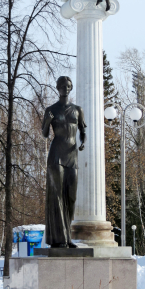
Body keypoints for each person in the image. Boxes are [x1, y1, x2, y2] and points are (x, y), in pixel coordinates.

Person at [42, 76, 86, 248]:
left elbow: (83, 131)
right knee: (58, 196)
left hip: (72, 155)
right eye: (62, 86)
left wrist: (83, 142)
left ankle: (67, 236)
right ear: (57, 88)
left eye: (68, 86)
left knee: (71, 197)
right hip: (56, 156)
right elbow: (45, 134)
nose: (65, 88)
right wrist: (46, 122)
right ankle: (62, 239)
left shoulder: (77, 110)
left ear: (71, 88)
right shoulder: (51, 110)